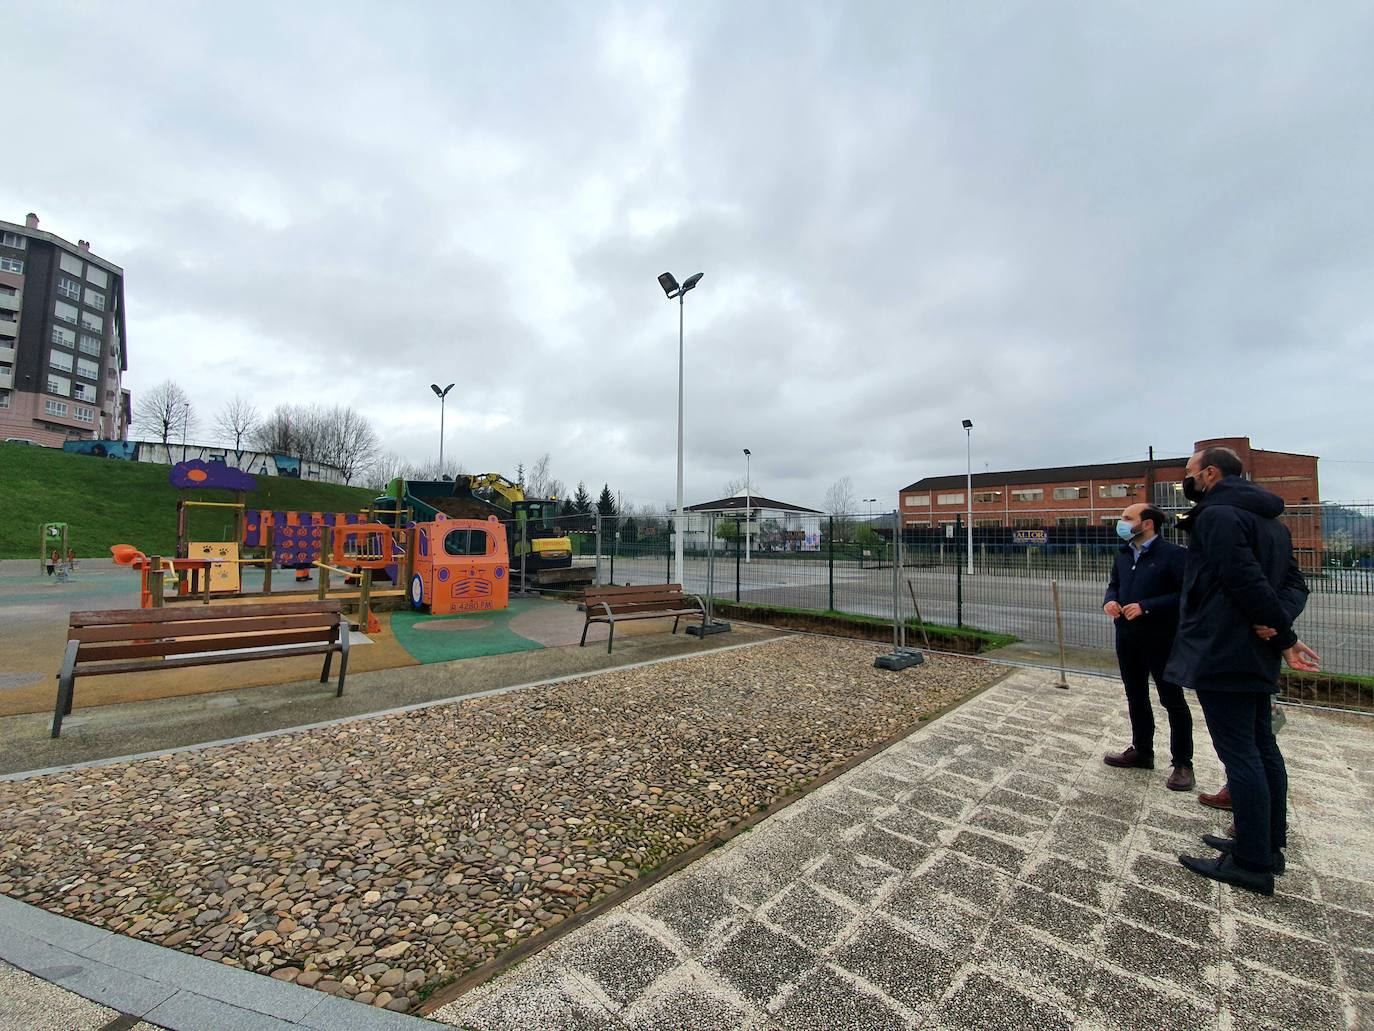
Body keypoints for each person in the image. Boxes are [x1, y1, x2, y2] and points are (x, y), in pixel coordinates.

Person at [1167, 446, 1319, 896]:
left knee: (1242, 753)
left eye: (1189, 475)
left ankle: (1252, 861)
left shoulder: (1217, 517)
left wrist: (1280, 633)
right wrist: (1276, 626)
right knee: (1261, 746)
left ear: (1210, 474)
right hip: (1254, 650)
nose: (1186, 483)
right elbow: (1294, 583)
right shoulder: (1271, 522)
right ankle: (1267, 844)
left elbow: (1242, 579)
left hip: (1223, 650)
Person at [1101, 503, 1194, 790]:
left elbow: (1185, 596)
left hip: (1161, 639)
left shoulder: (1175, 556)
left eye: (1128, 518)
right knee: (1135, 695)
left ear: (1148, 524)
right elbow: (1114, 584)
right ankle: (1142, 750)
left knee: (1172, 700)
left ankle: (1182, 764)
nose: (1122, 522)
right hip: (1127, 637)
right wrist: (1110, 600)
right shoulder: (1124, 555)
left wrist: (1146, 607)